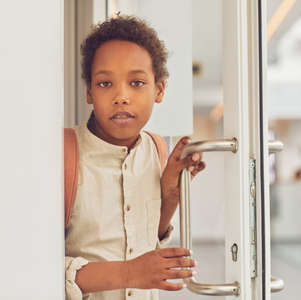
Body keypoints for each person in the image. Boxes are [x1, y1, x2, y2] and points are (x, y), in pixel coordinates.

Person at [65, 15, 205, 300]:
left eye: (137, 82)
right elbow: (30, 265)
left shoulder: (157, 150)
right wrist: (130, 273)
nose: (121, 96)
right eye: (105, 84)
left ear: (159, 90)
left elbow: (143, 238)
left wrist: (169, 197)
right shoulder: (62, 153)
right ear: (89, 91)